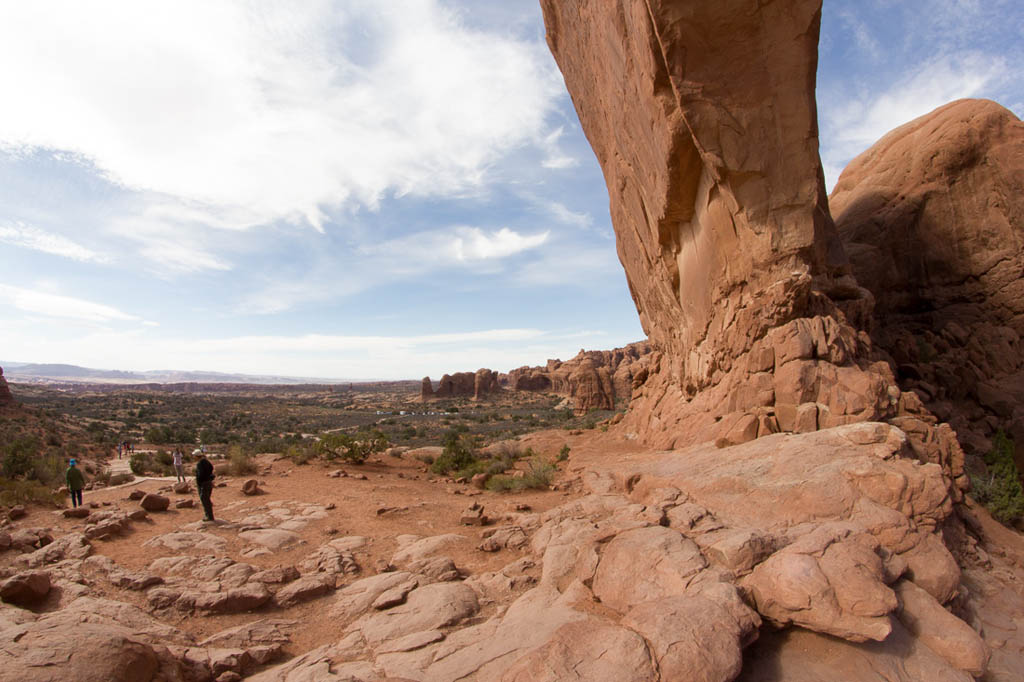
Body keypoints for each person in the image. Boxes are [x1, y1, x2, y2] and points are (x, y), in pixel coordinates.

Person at [195, 451, 215, 522]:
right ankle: (208, 515)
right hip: (209, 482)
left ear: (197, 456)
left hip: (204, 484)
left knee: (204, 499)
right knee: (207, 499)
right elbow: (211, 468)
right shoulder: (206, 461)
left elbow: (200, 474)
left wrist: (199, 482)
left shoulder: (200, 463)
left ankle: (209, 516)